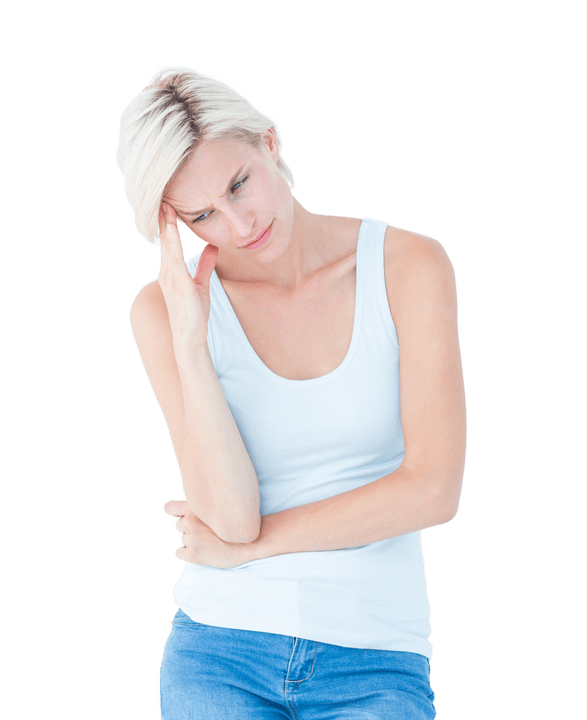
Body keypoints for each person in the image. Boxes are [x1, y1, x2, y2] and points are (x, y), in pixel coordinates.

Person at [115, 62, 467, 720]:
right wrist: (193, 343)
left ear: (270, 144)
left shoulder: (408, 268)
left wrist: (258, 547)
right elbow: (229, 520)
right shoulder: (165, 314)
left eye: (239, 184)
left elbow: (432, 491)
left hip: (374, 660)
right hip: (218, 651)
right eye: (202, 215)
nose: (239, 223)